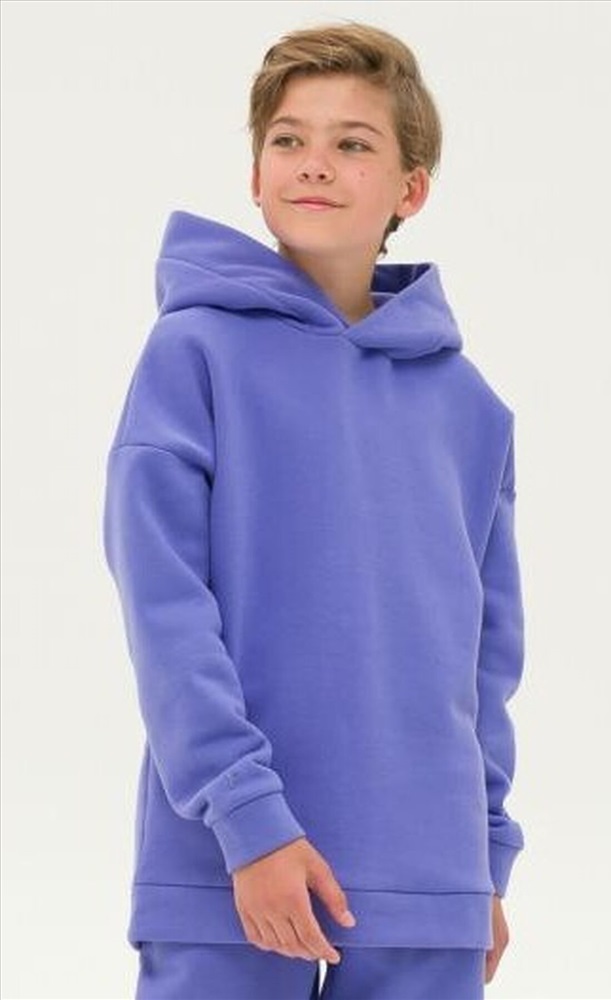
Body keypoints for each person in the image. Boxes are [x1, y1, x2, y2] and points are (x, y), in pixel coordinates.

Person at [102, 20, 527, 1000]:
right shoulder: (193, 357)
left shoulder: (469, 408)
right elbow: (165, 612)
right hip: (231, 862)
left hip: (428, 878)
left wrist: (482, 860)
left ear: (410, 190)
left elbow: (486, 655)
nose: (315, 164)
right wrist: (247, 821)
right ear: (255, 175)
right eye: (288, 139)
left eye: (353, 143)